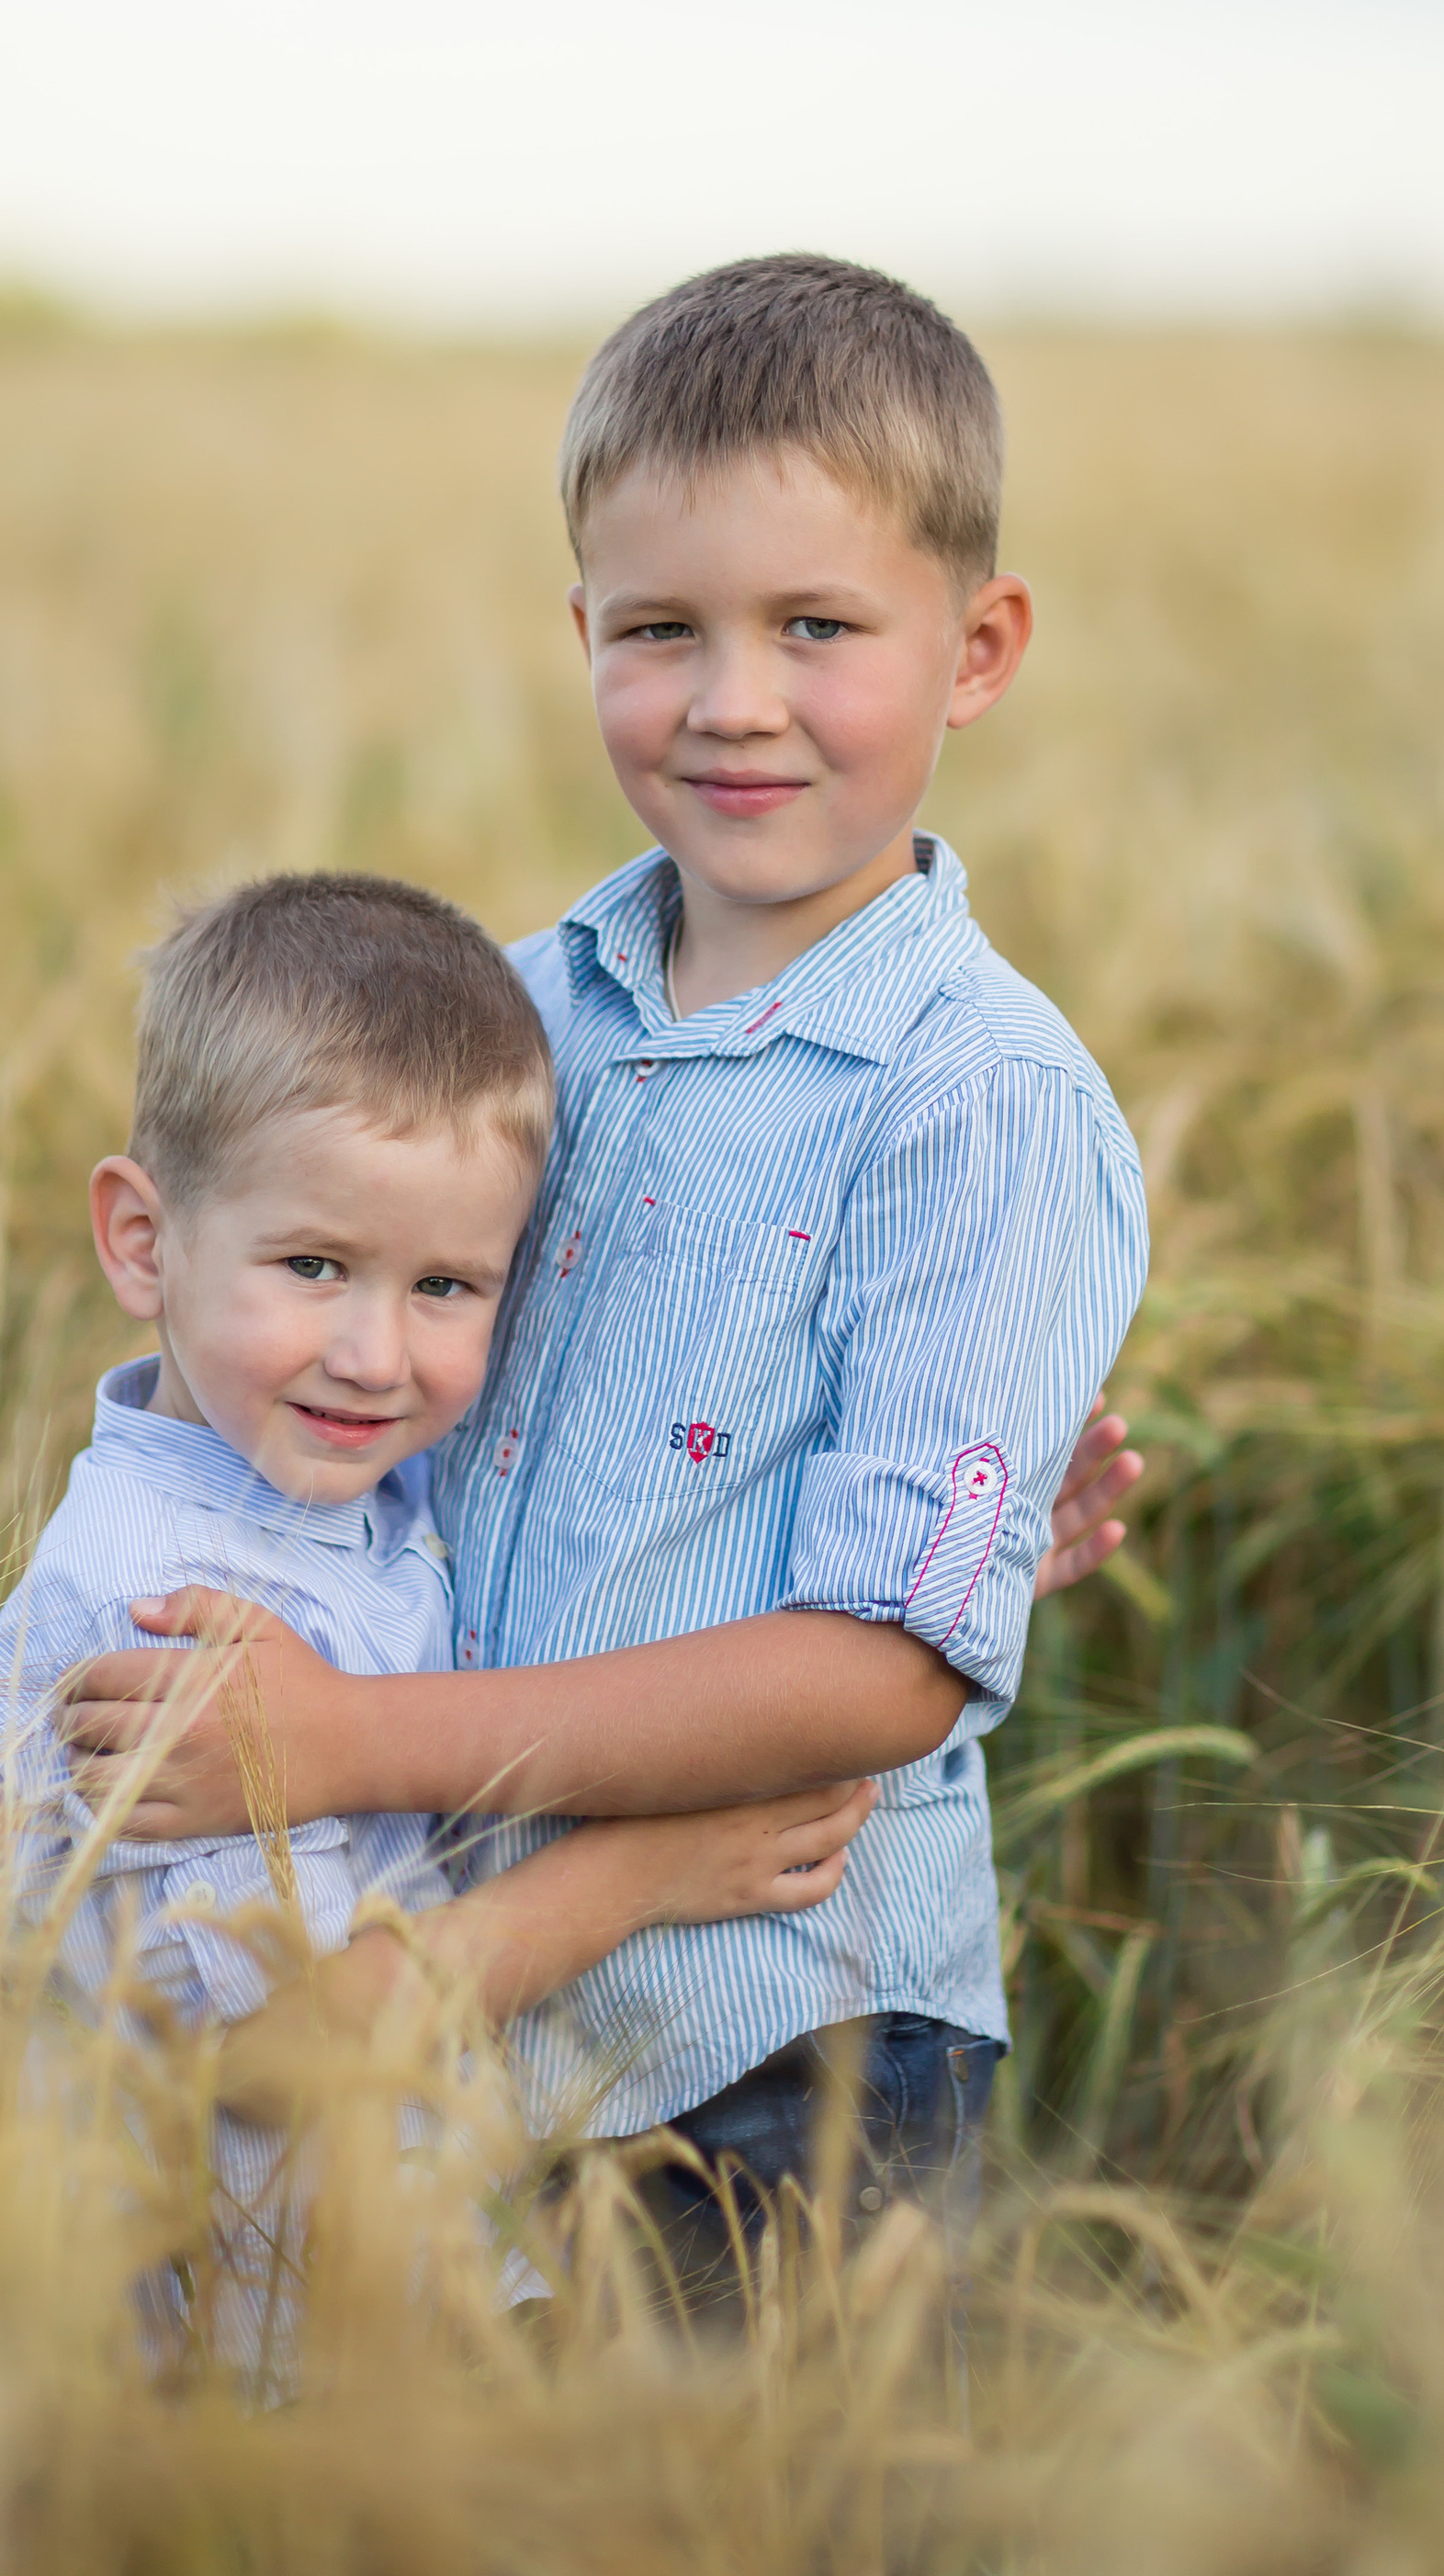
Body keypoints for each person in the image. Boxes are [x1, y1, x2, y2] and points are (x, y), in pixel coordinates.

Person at [57, 254, 1151, 2279]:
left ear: (976, 647)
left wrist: (336, 1748)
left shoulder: (974, 1102)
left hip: (781, 2025)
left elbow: (885, 1672)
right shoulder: (514, 1013)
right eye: (661, 631)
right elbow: (342, 1365)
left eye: (814, 627)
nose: (731, 701)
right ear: (580, 635)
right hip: (467, 1990)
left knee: (765, 2569)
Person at [0, 869, 878, 2370]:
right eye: (313, 1267)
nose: (376, 1355)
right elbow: (276, 2058)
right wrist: (642, 1872)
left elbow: (615, 1560)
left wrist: (925, 1574)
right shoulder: (162, 1608)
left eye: (448, 1285)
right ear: (141, 1239)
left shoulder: (352, 1487)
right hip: (243, 2378)